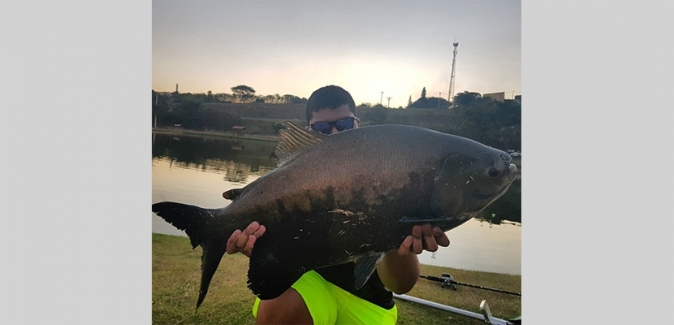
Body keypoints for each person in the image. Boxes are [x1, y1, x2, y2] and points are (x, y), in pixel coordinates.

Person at [226, 85, 450, 324]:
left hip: (369, 300)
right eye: (322, 128)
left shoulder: (393, 175)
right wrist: (261, 247)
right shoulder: (287, 186)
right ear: (307, 133)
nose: (334, 134)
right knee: (278, 310)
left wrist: (401, 241)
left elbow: (400, 285)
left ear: (357, 124)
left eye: (343, 125)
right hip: (308, 283)